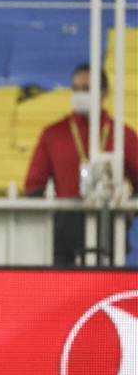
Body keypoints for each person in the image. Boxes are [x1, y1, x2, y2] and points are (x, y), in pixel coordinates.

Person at [25, 64, 138, 265]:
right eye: (75, 89)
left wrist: (130, 208)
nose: (79, 95)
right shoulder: (53, 134)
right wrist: (54, 218)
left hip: (110, 226)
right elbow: (33, 185)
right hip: (64, 233)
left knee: (106, 284)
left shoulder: (123, 135)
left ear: (104, 93)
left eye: (86, 89)